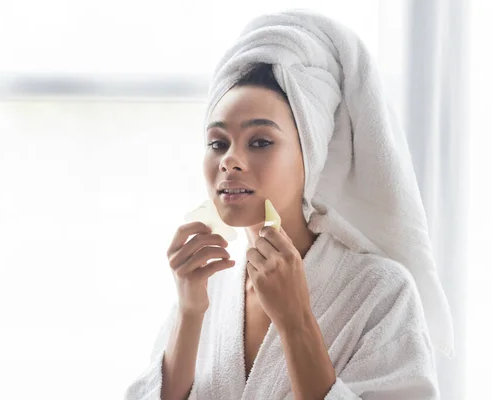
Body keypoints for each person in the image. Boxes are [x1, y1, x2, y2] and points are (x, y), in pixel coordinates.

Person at [125, 10, 453, 400]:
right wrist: (190, 313)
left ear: (309, 156)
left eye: (260, 141)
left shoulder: (380, 291)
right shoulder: (210, 287)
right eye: (217, 143)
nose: (230, 160)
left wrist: (296, 319)